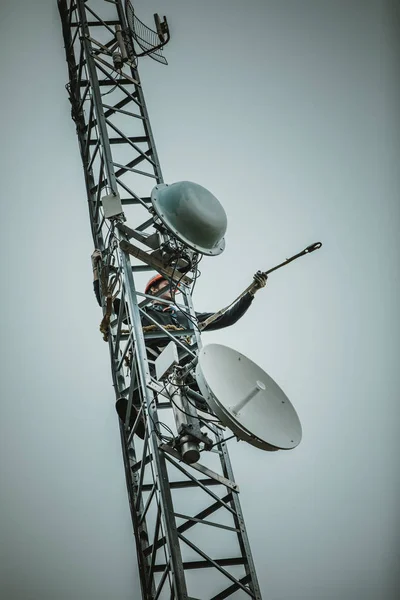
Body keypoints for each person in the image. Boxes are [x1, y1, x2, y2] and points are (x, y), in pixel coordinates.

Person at [91, 249, 267, 437]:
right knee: (145, 365)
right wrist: (97, 269)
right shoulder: (141, 313)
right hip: (152, 360)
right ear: (154, 289)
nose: (174, 288)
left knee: (197, 374)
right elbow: (107, 301)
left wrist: (251, 291)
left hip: (183, 366)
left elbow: (227, 318)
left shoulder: (186, 317)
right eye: (168, 283)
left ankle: (204, 417)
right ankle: (137, 410)